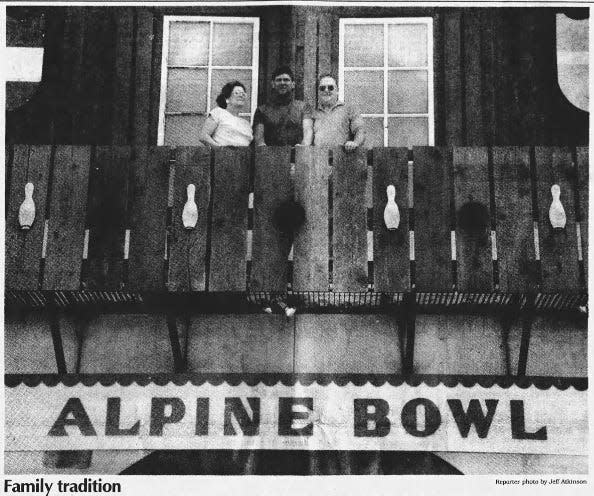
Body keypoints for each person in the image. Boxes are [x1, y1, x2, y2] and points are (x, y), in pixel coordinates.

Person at [303, 75, 366, 151]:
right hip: (318, 159)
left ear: (337, 90)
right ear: (318, 92)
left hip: (341, 159)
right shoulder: (313, 112)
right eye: (322, 88)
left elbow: (360, 130)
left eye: (330, 87)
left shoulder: (349, 109)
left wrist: (355, 143)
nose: (326, 90)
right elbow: (307, 135)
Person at [253, 66, 312, 146]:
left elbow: (307, 130)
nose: (282, 83)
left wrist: (303, 146)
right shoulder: (261, 110)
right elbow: (259, 139)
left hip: (296, 155)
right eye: (278, 80)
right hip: (270, 156)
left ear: (293, 84)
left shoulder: (303, 107)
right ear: (273, 84)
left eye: (286, 80)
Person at [199, 81, 253, 147]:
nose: (241, 95)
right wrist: (221, 150)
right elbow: (204, 136)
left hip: (244, 156)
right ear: (227, 99)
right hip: (223, 155)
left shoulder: (246, 123)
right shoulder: (218, 113)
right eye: (237, 93)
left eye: (243, 94)